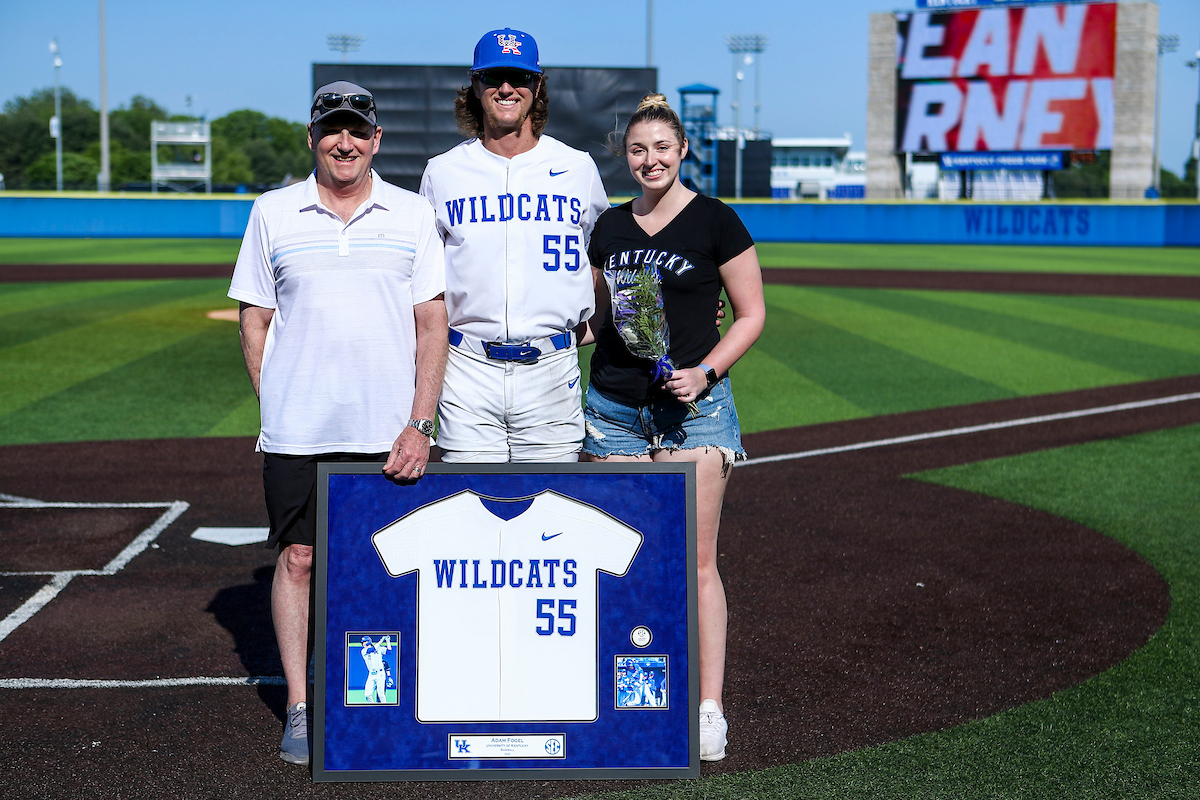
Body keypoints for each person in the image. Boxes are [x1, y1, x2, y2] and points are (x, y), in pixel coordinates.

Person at [229, 81, 447, 765]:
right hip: (300, 431)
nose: (344, 142)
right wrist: (277, 402)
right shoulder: (272, 212)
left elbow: (433, 323)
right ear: (314, 137)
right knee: (299, 560)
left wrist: (420, 422)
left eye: (356, 130)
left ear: (376, 139)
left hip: (389, 432)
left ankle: (389, 704)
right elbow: (255, 318)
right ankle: (300, 704)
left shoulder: (413, 214)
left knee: (388, 569)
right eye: (332, 130)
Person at [581, 94, 766, 762]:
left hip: (695, 416)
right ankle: (628, 697)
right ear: (625, 157)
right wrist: (567, 332)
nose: (650, 159)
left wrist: (704, 374)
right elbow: (603, 320)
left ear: (683, 150)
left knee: (695, 567)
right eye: (637, 149)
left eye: (662, 147)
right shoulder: (608, 228)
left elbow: (750, 314)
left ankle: (708, 707)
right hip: (612, 415)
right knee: (624, 563)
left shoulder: (715, 221)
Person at [419, 28, 610, 463]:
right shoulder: (443, 172)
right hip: (466, 368)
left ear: (537, 85)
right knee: (470, 509)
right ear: (476, 84)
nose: (507, 88)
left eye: (519, 77)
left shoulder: (577, 167)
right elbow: (422, 279)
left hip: (551, 370)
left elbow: (606, 259)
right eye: (494, 77)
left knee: (548, 512)